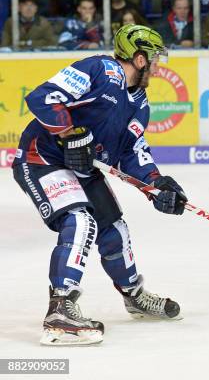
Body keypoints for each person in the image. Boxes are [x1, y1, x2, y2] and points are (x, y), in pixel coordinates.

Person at [12, 24, 186, 346]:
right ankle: (60, 309)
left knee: (114, 228)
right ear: (139, 58)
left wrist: (156, 184)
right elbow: (42, 98)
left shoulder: (140, 103)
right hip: (43, 158)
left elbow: (130, 152)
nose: (159, 65)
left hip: (82, 168)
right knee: (80, 220)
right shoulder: (99, 70)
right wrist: (68, 134)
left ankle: (133, 293)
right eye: (155, 58)